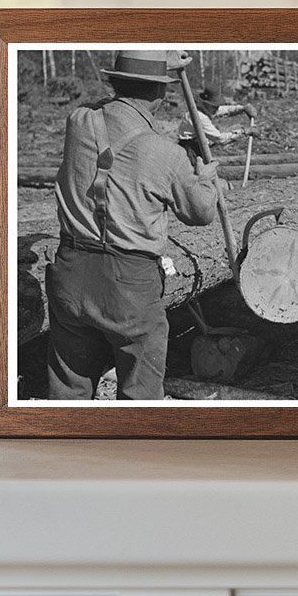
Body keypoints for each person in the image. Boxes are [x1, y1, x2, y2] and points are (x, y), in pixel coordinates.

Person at [47, 49, 220, 401]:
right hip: (129, 282)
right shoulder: (166, 153)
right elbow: (201, 213)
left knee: (68, 392)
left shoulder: (78, 122)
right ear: (160, 93)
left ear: (113, 82)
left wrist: (147, 69)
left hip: (70, 271)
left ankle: (61, 451)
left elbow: (105, 105)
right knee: (140, 395)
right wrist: (205, 179)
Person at [177, 87, 258, 161]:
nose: (216, 109)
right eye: (214, 106)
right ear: (205, 103)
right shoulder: (199, 116)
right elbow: (220, 139)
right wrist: (245, 131)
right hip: (190, 151)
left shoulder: (206, 109)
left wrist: (243, 108)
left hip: (197, 146)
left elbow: (224, 110)